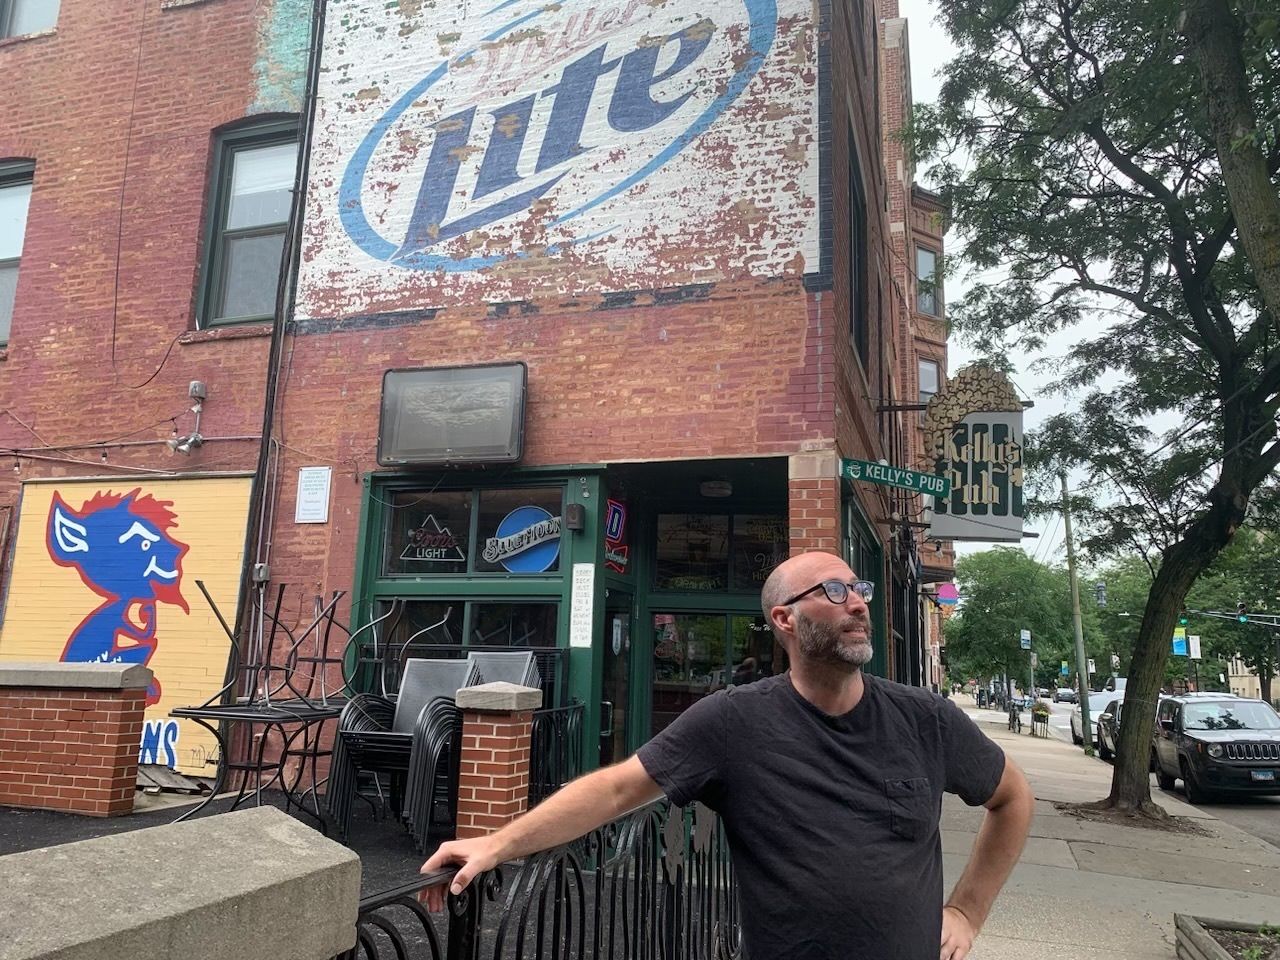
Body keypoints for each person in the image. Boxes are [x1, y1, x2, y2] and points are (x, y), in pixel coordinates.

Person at [420, 551, 1034, 959]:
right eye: (837, 590)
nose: (859, 602)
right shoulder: (735, 721)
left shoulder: (925, 719)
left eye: (861, 588)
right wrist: (498, 843)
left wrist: (967, 909)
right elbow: (614, 790)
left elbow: (1013, 799)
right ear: (785, 619)